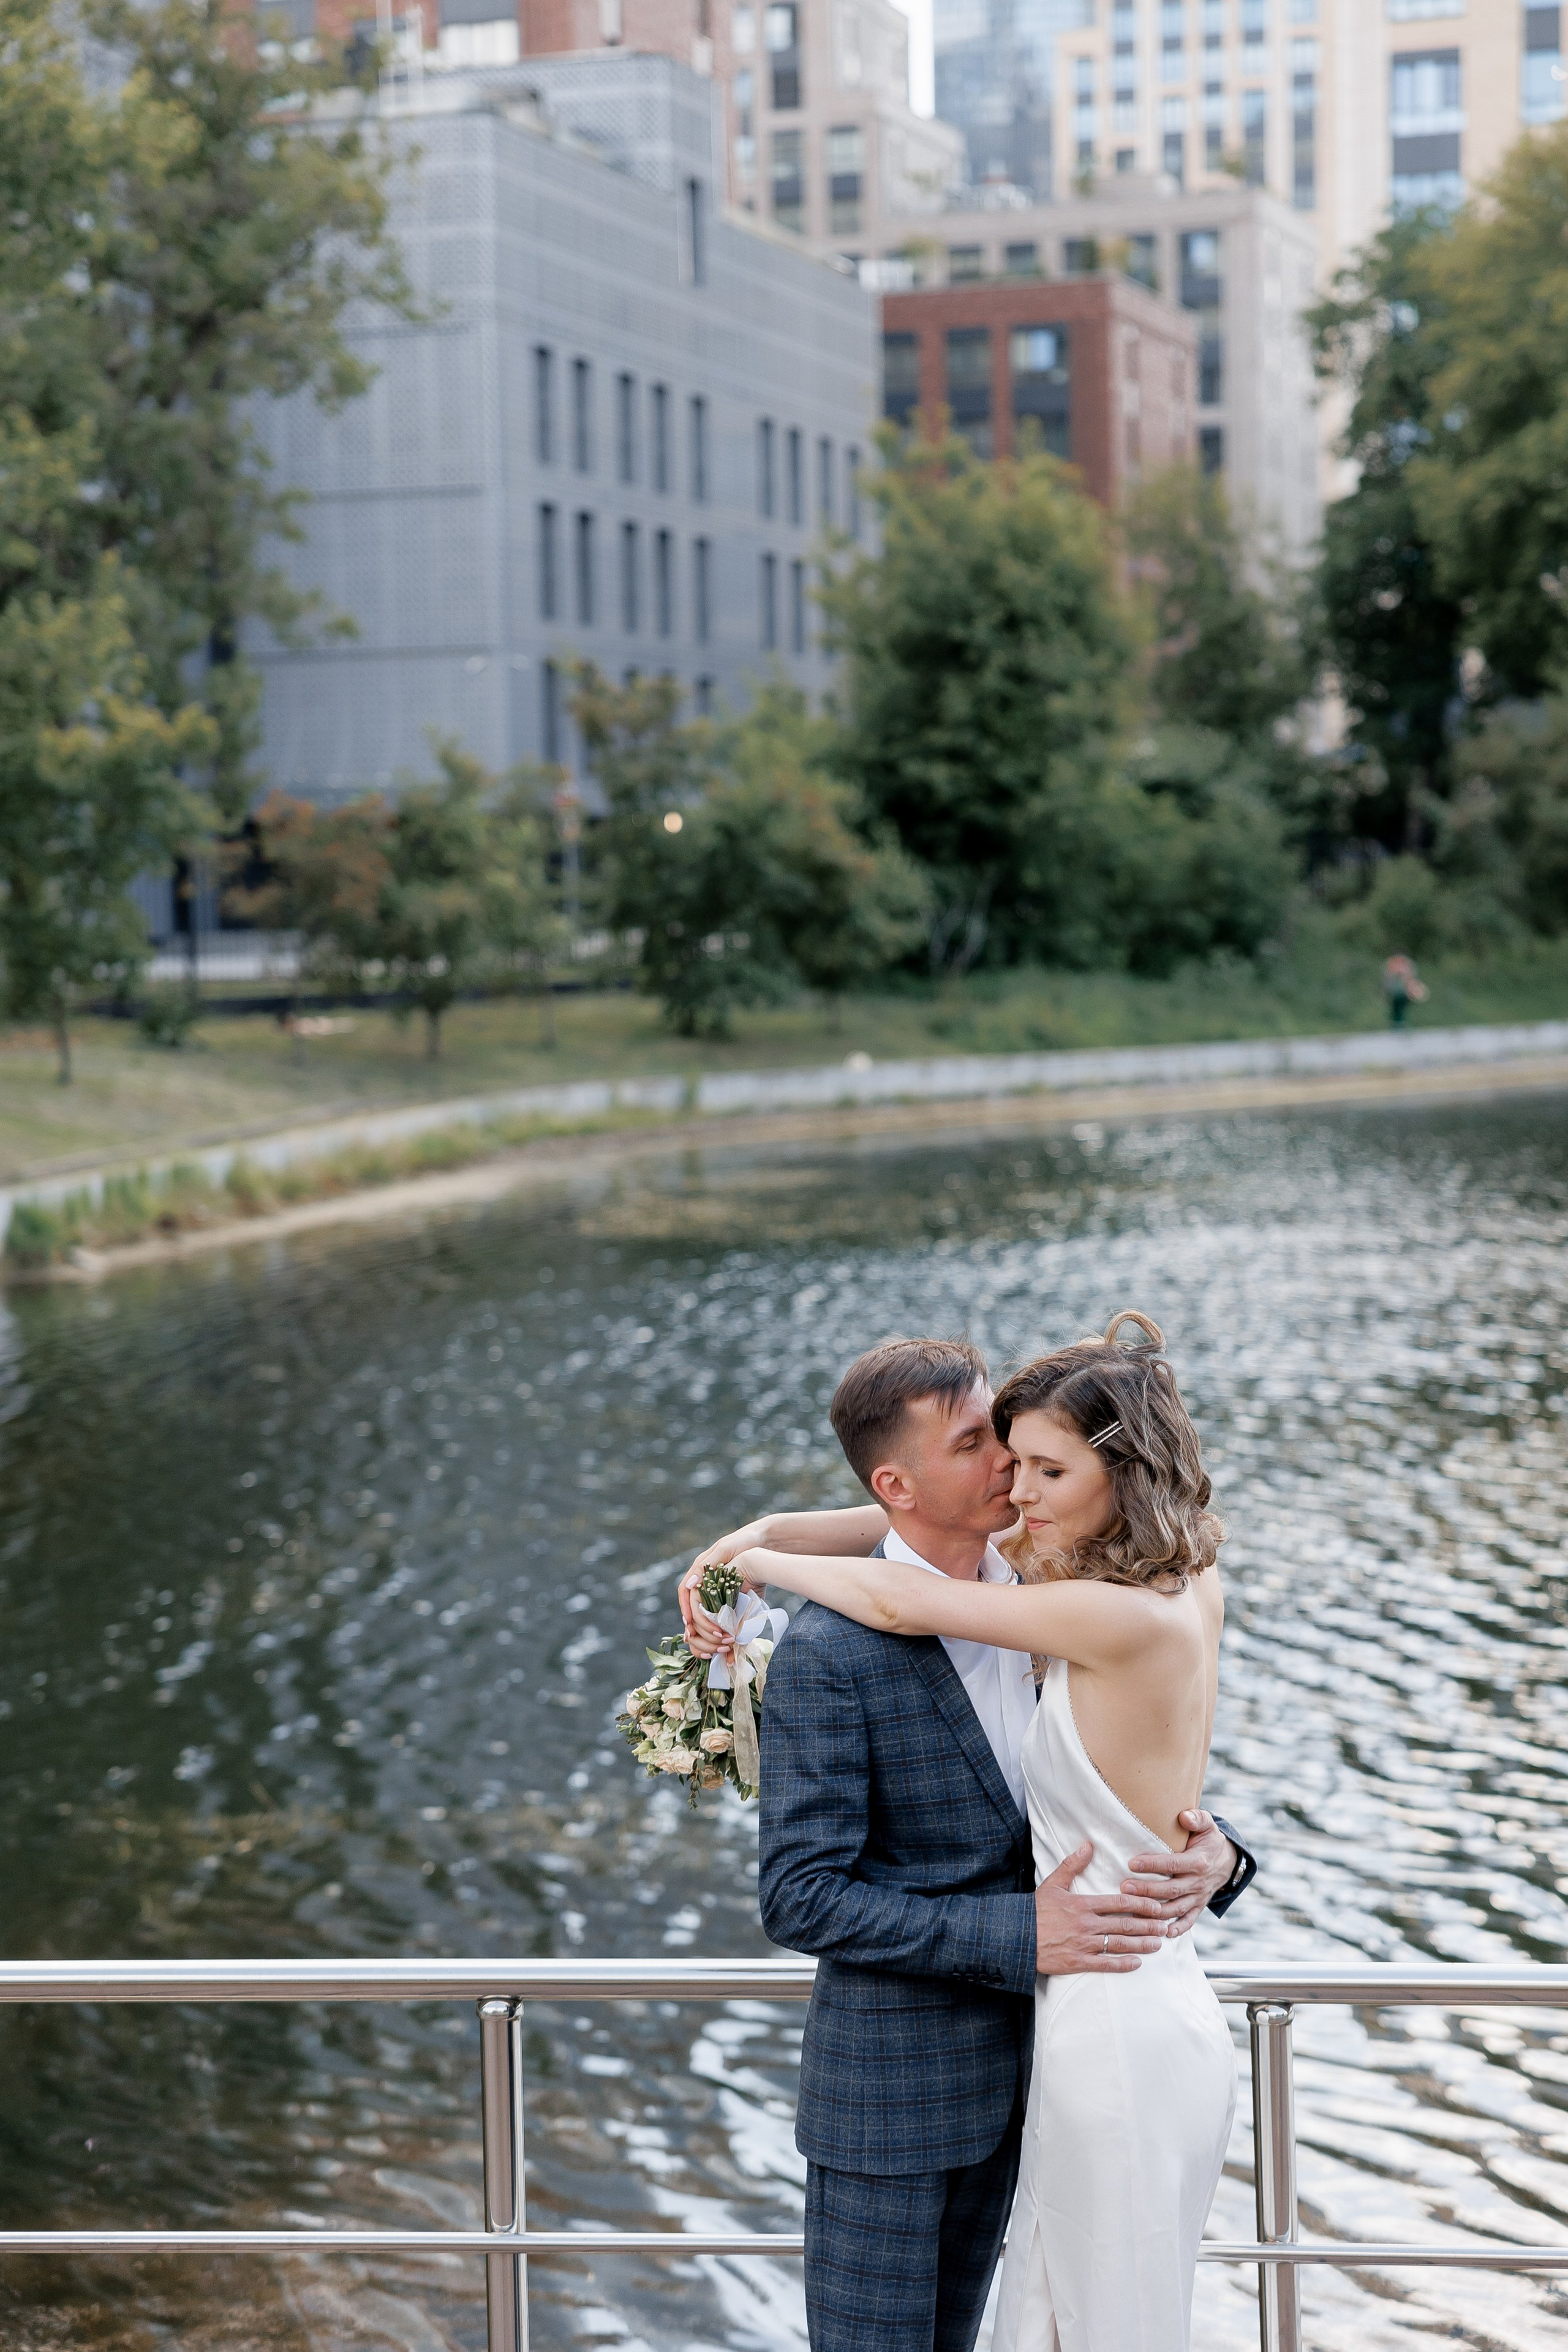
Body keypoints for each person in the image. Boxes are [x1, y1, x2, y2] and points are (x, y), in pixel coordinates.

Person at [679, 1319, 1254, 2352]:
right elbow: (799, 1898)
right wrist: (1019, 1938)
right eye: (979, 1446)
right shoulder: (831, 1654)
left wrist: (1219, 1854)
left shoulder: (1050, 1580)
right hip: (900, 2105)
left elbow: (1131, 1775)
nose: (1007, 1468)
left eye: (1023, 1449)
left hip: (1057, 2068)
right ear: (898, 1487)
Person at [1383, 951, 1428, 1027]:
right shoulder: (1390, 965)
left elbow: (1412, 979)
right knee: (1396, 1009)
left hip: (1405, 993)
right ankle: (1397, 1025)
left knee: (1403, 1008)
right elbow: (1387, 981)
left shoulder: (1408, 965)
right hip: (1395, 993)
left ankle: (1402, 1024)